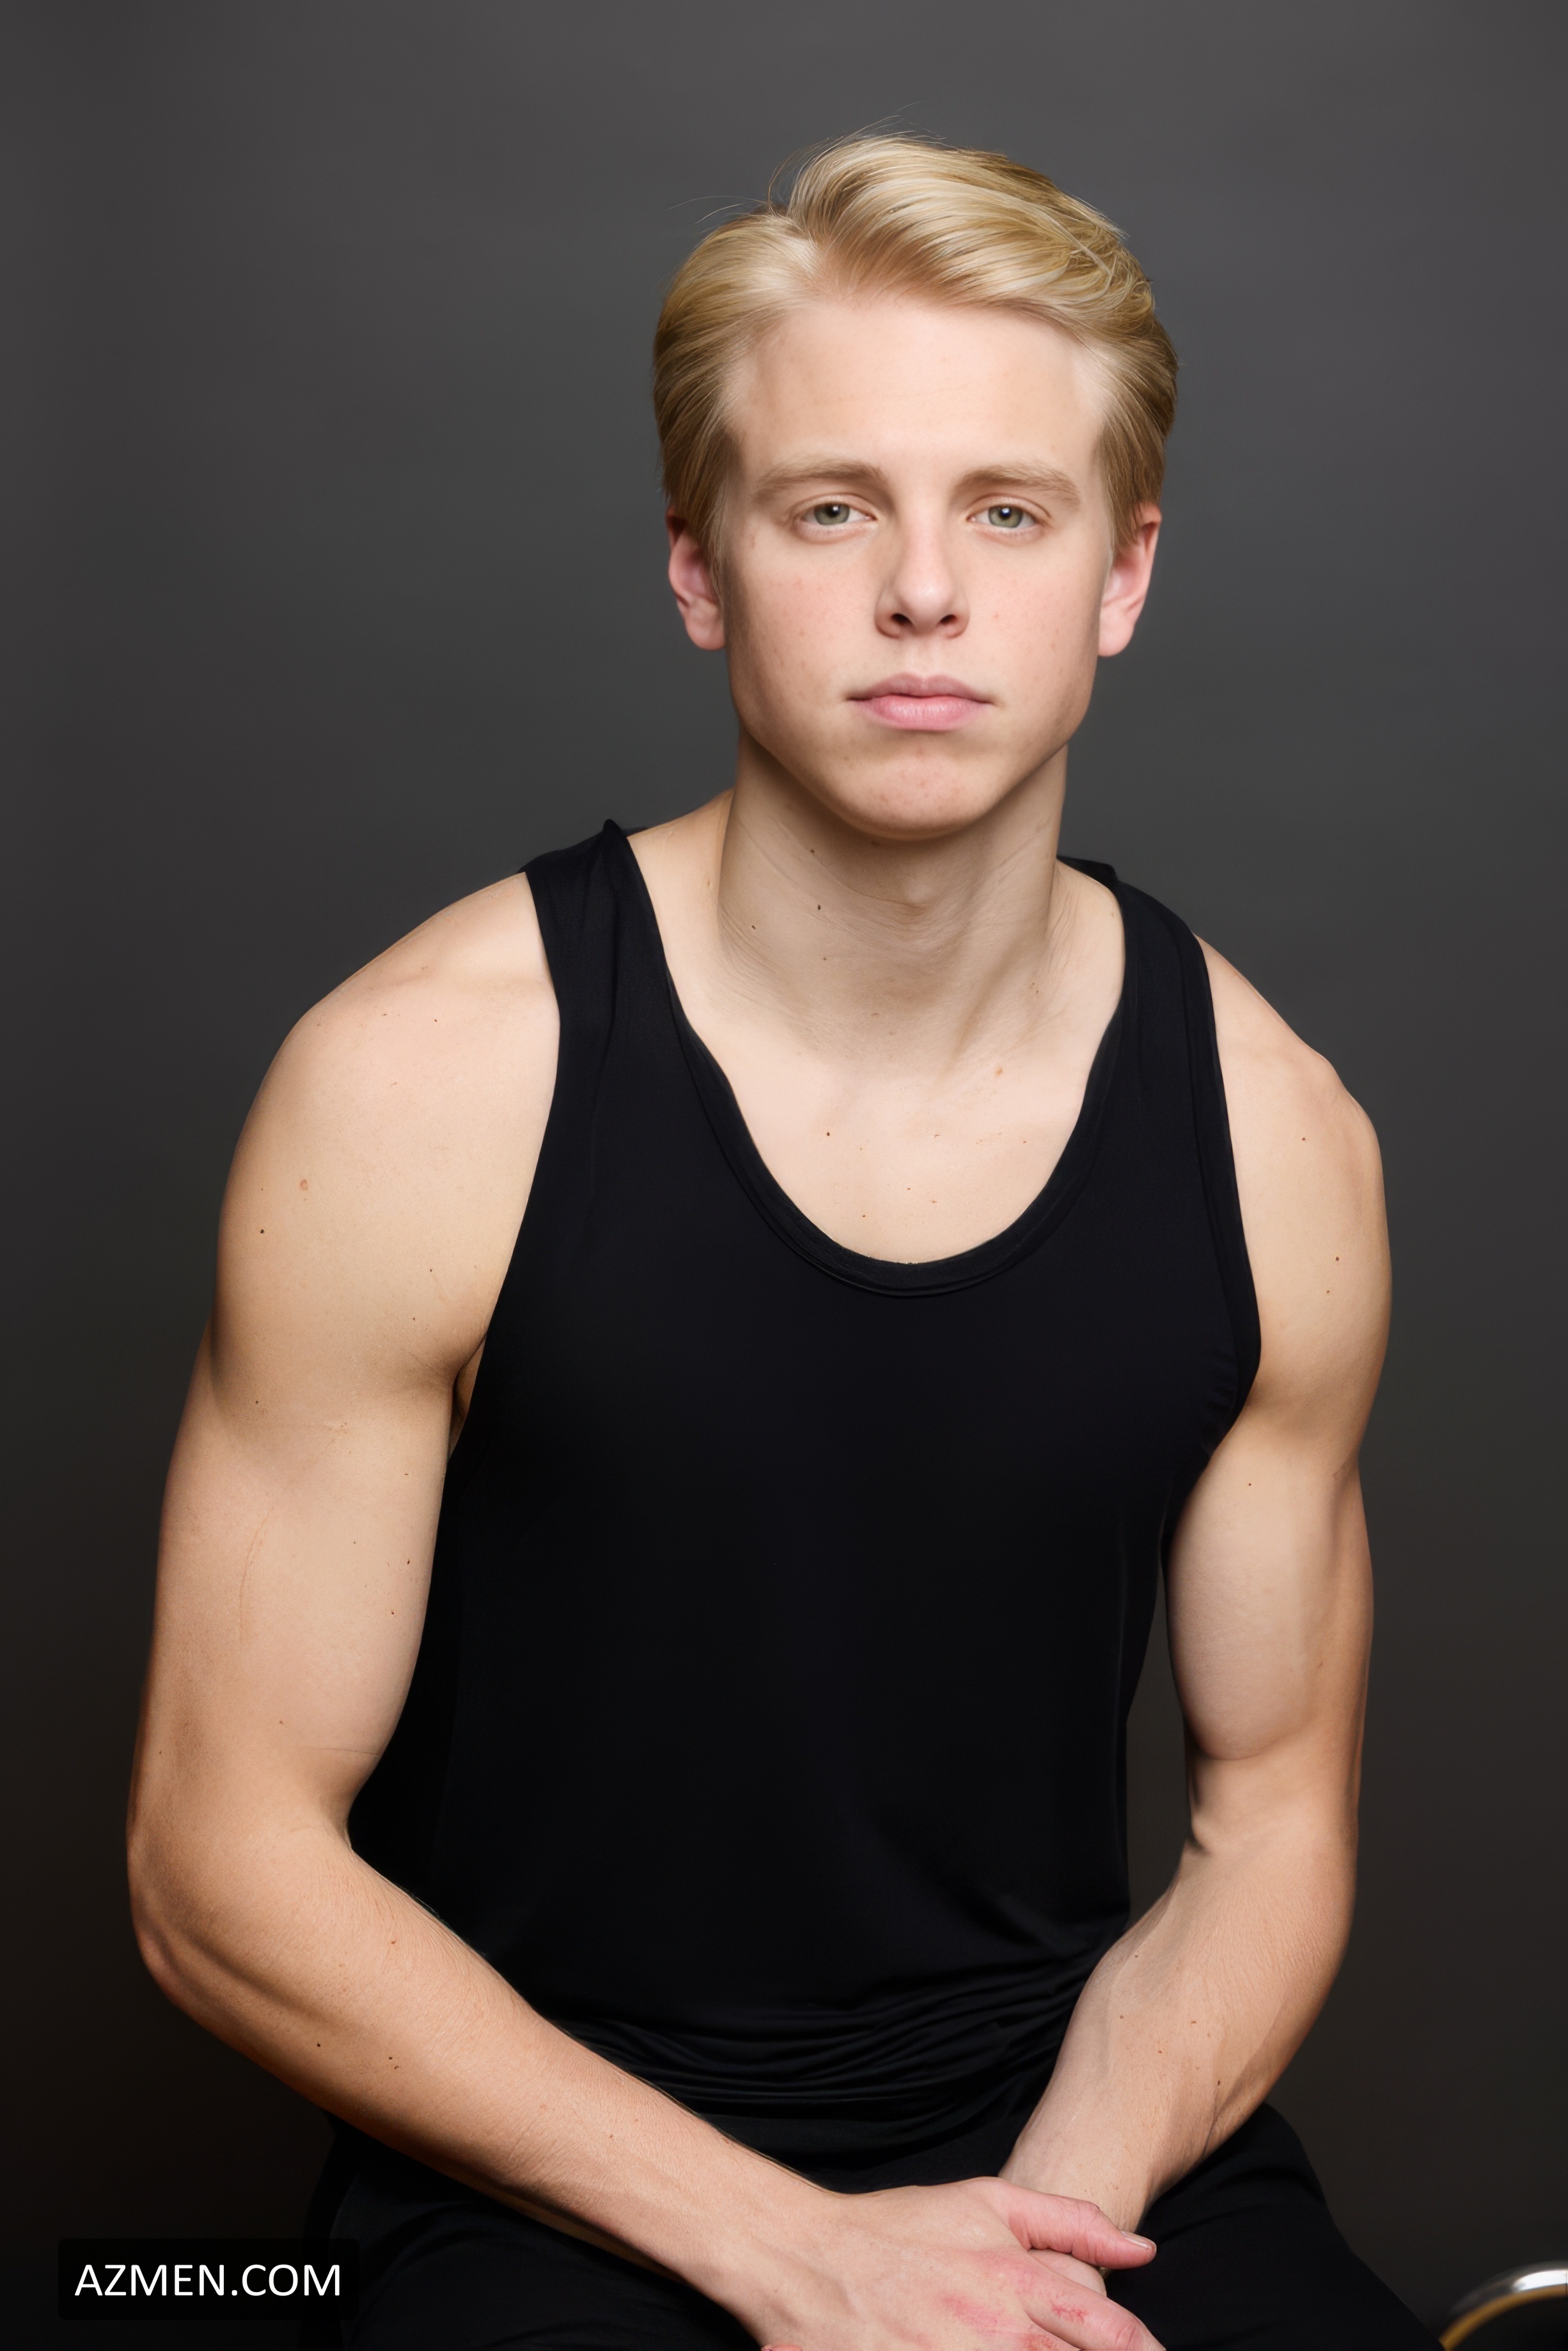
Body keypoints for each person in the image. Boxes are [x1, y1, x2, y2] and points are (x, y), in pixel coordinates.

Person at [128, 136, 1432, 2350]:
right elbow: (214, 1862)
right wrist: (808, 2253)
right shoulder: (419, 1086)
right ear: (699, 567)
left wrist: (1026, 2246)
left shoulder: (1276, 1134)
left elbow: (1271, 1826)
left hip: (1074, 2140)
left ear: (1120, 573)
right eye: (830, 509)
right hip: (537, 2172)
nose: (921, 592)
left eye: (1006, 513)